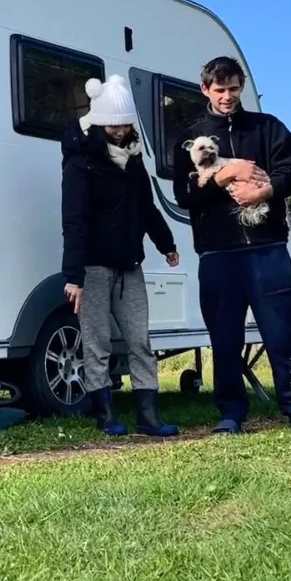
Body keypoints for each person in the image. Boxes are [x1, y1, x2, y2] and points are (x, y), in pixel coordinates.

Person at [172, 55, 291, 434]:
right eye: (220, 90)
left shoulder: (268, 128)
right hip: (218, 253)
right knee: (224, 340)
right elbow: (185, 196)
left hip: (267, 248)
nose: (228, 97)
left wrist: (266, 190)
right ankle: (230, 414)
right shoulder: (190, 137)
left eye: (234, 89)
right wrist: (226, 176)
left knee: (283, 335)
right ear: (205, 89)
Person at [61, 74, 181, 437]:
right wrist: (74, 276)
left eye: (125, 123)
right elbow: (74, 220)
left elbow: (147, 208)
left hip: (131, 265)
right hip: (94, 267)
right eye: (113, 124)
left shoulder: (134, 161)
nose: (120, 130)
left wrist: (167, 244)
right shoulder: (81, 162)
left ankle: (149, 417)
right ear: (100, 123)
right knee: (95, 342)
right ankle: (106, 416)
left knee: (140, 341)